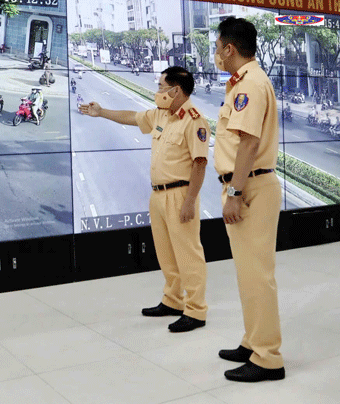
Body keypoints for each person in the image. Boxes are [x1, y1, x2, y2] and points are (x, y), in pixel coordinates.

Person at [79, 66, 210, 333]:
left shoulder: (194, 121)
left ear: (176, 90)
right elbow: (132, 117)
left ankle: (196, 311)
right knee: (166, 252)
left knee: (188, 255)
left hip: (180, 194)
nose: (158, 92)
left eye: (162, 87)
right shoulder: (161, 114)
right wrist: (101, 112)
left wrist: (189, 201)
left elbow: (199, 164)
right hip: (158, 194)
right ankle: (173, 301)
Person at [213, 17, 285, 382]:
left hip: (250, 188)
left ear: (230, 48)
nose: (216, 55)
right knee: (248, 274)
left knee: (258, 276)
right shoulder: (243, 83)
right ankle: (253, 341)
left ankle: (268, 358)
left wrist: (235, 193)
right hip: (248, 186)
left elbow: (248, 143)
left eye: (217, 47)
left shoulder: (250, 84)